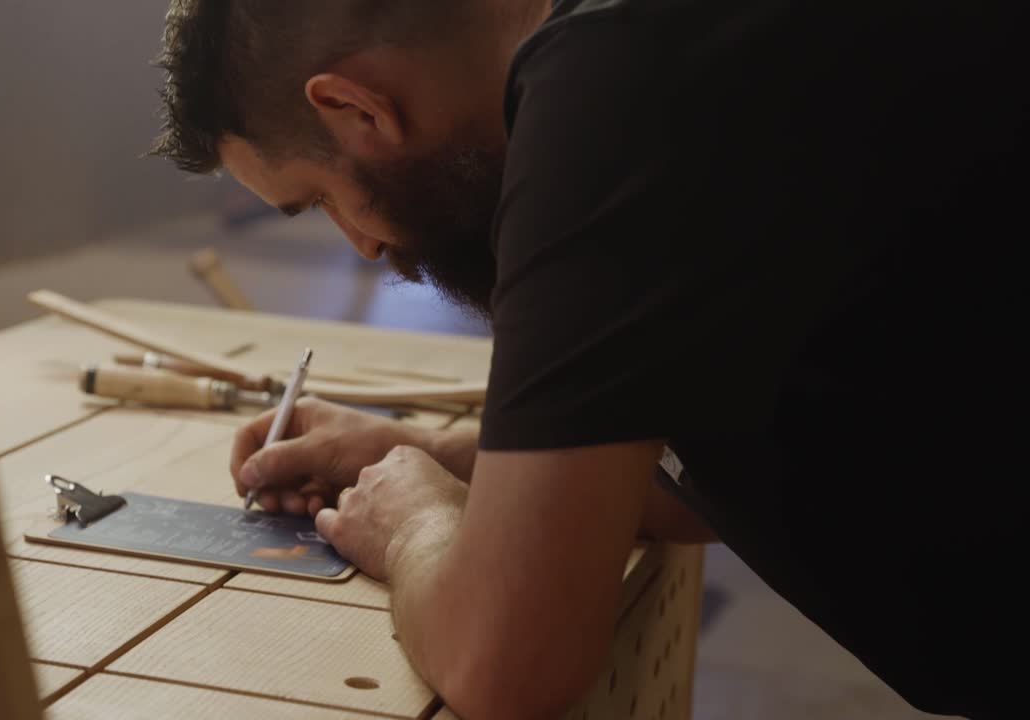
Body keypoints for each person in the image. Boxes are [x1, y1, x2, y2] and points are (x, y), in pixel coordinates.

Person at [151, 1, 1024, 717]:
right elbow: (692, 474)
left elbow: (509, 663)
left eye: (321, 199)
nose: (362, 248)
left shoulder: (608, 88)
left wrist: (414, 522)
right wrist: (433, 456)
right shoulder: (666, 50)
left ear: (356, 109)